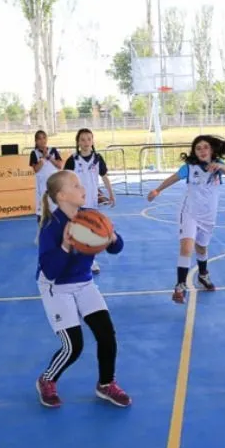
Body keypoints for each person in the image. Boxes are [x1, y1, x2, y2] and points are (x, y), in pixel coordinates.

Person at [34, 170, 131, 409]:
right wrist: (66, 245)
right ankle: (47, 379)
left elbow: (116, 248)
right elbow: (51, 271)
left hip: (84, 282)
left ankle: (106, 384)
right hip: (57, 287)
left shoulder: (91, 217)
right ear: (62, 195)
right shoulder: (51, 227)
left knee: (106, 335)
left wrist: (112, 237)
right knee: (73, 346)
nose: (82, 188)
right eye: (76, 185)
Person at [146, 135, 225, 303]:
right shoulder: (189, 167)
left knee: (201, 248)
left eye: (205, 147)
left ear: (212, 150)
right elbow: (173, 178)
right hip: (188, 212)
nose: (202, 150)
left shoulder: (218, 166)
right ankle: (180, 286)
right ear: (194, 152)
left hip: (208, 215)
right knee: (187, 247)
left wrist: (218, 166)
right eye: (198, 148)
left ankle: (203, 275)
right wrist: (157, 190)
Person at [64, 128, 115, 273]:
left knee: (92, 233)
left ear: (92, 141)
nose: (86, 142)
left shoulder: (97, 159)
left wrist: (111, 194)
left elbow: (104, 177)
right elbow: (65, 180)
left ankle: (91, 262)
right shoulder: (72, 160)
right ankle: (73, 260)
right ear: (78, 142)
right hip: (77, 203)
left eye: (88, 139)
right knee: (75, 233)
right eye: (82, 139)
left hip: (92, 203)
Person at [30, 129, 63, 241]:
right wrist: (43, 158)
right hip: (42, 189)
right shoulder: (34, 153)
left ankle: (58, 234)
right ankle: (41, 234)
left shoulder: (53, 150)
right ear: (36, 141)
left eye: (44, 138)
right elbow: (36, 169)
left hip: (54, 186)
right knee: (42, 211)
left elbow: (59, 165)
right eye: (39, 138)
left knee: (56, 210)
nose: (42, 140)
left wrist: (49, 157)